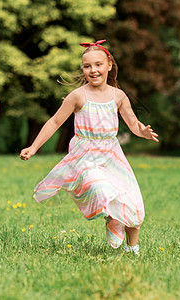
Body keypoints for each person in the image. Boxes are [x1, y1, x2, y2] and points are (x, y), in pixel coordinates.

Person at [20, 40, 159, 255]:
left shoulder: (118, 96)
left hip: (112, 154)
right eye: (87, 66)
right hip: (85, 156)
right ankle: (112, 218)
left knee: (131, 197)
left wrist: (143, 132)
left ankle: (133, 248)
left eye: (98, 65)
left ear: (109, 65)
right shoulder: (78, 96)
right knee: (102, 188)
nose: (93, 70)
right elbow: (54, 122)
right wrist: (34, 147)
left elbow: (133, 124)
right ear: (83, 69)